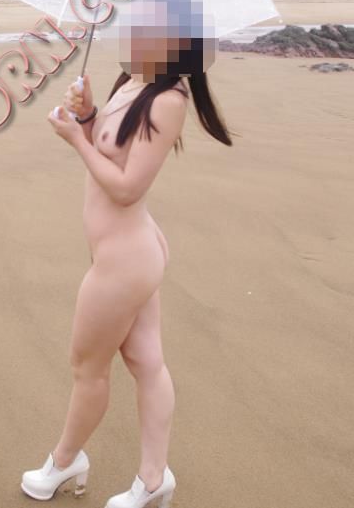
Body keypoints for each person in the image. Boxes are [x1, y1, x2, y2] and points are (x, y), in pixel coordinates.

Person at [20, 38, 233, 508]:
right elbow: (113, 150)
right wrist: (88, 116)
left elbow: (127, 188)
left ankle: (64, 461)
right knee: (146, 363)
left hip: (125, 260)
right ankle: (154, 479)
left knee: (88, 369)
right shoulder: (132, 80)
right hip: (129, 250)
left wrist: (76, 139)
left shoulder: (167, 100)